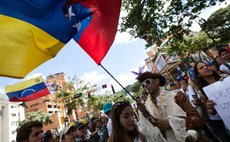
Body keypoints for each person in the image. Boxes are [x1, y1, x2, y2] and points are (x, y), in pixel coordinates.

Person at [136, 72, 204, 142]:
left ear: (157, 81)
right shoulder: (146, 107)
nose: (145, 86)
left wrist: (170, 124)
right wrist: (145, 113)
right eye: (143, 85)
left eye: (147, 82)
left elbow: (198, 120)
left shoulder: (177, 95)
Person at [193, 62, 230, 141]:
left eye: (206, 65)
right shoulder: (202, 92)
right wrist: (210, 106)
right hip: (222, 122)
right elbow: (210, 111)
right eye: (201, 68)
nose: (206, 67)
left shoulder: (224, 77)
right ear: (199, 75)